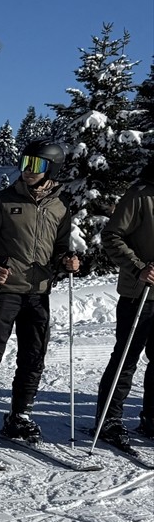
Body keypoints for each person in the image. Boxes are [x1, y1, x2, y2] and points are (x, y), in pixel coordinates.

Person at [0, 140, 78, 446]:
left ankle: (19, 416)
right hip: (5, 289)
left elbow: (61, 246)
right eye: (25, 162)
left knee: (33, 356)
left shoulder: (60, 207)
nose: (27, 170)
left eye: (36, 165)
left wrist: (67, 260)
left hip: (39, 292)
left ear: (51, 168)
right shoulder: (2, 200)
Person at [94, 156, 154, 447]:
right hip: (138, 292)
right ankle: (110, 419)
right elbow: (112, 235)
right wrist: (138, 266)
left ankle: (151, 417)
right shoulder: (140, 196)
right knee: (126, 358)